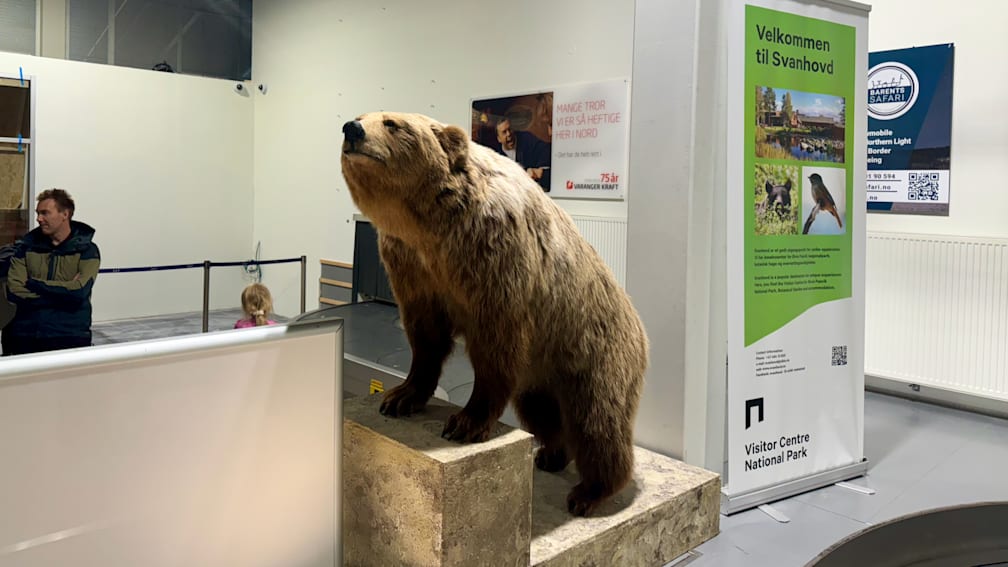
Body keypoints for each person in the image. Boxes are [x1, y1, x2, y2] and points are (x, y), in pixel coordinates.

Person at [3, 189, 100, 355]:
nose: (38, 219)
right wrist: (63, 294)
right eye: (38, 213)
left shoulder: (87, 250)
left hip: (68, 334)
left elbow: (79, 292)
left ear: (65, 214)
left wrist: (34, 284)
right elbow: (14, 290)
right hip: (24, 333)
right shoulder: (26, 248)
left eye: (45, 213)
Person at [495, 118, 552, 191]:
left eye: (510, 129)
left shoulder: (527, 139)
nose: (509, 134)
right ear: (499, 139)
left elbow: (546, 151)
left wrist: (538, 171)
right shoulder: (497, 156)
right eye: (504, 132)